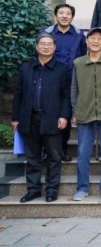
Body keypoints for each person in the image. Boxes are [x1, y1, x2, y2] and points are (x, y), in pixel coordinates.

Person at [12, 33, 71, 203]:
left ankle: (51, 190)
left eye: (49, 44)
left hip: (52, 119)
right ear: (37, 46)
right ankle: (33, 190)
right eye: (43, 44)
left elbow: (66, 96)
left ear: (54, 47)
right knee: (32, 158)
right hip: (29, 119)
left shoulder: (62, 69)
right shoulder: (26, 68)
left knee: (54, 157)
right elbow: (18, 95)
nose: (46, 47)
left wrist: (64, 115)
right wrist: (15, 118)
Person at [70, 27, 101, 202]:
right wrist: (75, 110)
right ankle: (82, 187)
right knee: (83, 152)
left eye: (99, 38)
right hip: (85, 112)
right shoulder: (78, 63)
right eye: (92, 38)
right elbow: (74, 89)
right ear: (86, 41)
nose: (95, 41)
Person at [43, 3, 87, 162]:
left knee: (65, 113)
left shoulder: (78, 35)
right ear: (55, 15)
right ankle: (47, 150)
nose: (64, 16)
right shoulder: (46, 33)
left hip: (70, 78)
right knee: (48, 112)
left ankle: (62, 149)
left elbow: (83, 56)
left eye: (68, 13)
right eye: (61, 13)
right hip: (49, 77)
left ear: (72, 17)